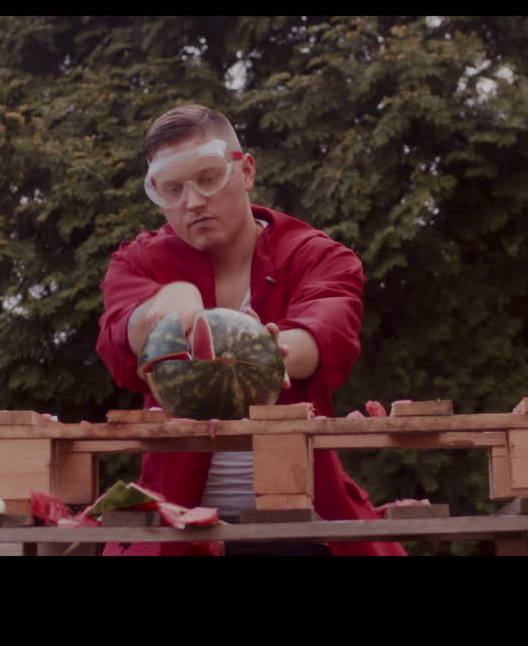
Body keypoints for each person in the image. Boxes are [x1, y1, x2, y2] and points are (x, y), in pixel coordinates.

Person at [96, 103, 407, 556]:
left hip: (305, 521)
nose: (193, 202)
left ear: (245, 172)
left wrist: (268, 353)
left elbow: (327, 331)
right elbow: (119, 346)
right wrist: (160, 309)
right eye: (172, 189)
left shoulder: (317, 255)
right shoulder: (138, 262)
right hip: (175, 526)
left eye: (208, 178)